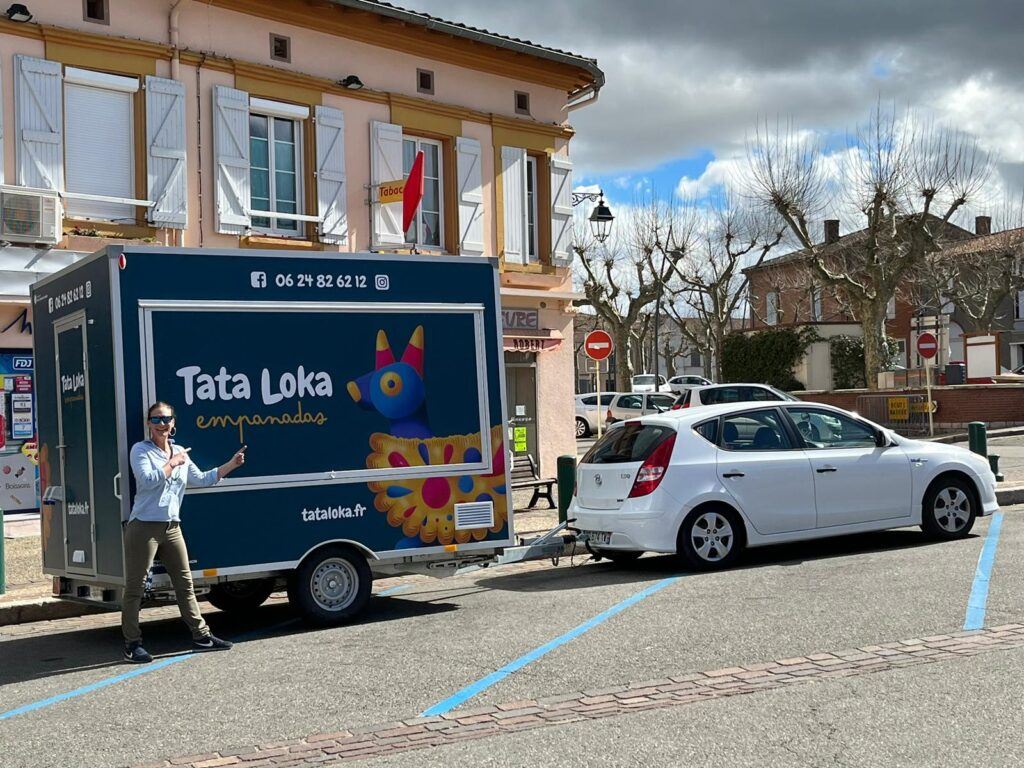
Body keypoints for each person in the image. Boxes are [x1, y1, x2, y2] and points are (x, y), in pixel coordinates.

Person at [122, 401, 246, 663]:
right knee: (136, 587)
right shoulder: (140, 450)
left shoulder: (180, 450)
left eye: (166, 419)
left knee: (185, 583)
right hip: (144, 526)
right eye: (156, 419)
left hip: (172, 527)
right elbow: (148, 480)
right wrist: (172, 463)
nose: (162, 424)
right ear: (148, 424)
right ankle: (132, 644)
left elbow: (201, 479)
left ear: (173, 423)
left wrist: (231, 465)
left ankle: (201, 636)